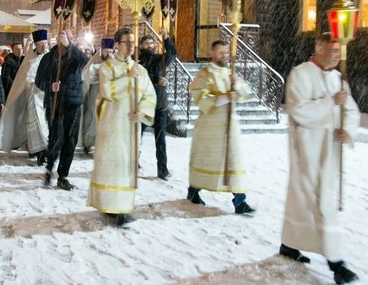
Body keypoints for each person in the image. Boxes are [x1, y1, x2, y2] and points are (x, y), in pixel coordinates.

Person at [279, 33, 361, 285]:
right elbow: (298, 110)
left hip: (329, 151)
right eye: (334, 51)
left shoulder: (338, 79)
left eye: (339, 52)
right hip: (307, 149)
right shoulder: (300, 74)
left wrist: (347, 130)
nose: (338, 56)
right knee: (320, 201)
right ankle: (337, 264)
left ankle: (290, 244)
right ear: (320, 49)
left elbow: (351, 111)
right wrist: (329, 103)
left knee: (303, 199)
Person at [87, 27, 156, 226]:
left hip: (130, 127)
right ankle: (109, 206)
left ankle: (123, 207)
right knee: (113, 166)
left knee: (127, 166)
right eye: (127, 42)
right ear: (117, 44)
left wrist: (142, 111)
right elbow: (108, 91)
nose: (131, 46)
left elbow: (150, 94)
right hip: (112, 125)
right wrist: (128, 78)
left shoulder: (140, 70)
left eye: (133, 42)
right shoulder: (108, 68)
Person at [186, 38, 255, 214]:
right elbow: (199, 97)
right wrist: (224, 97)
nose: (225, 55)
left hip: (230, 127)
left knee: (233, 161)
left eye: (226, 52)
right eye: (221, 52)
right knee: (206, 161)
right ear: (212, 53)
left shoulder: (230, 73)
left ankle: (240, 200)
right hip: (210, 128)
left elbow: (245, 93)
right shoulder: (205, 74)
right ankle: (193, 191)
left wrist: (237, 85)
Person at [35, 29, 89, 190]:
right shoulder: (49, 58)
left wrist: (69, 46)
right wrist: (50, 86)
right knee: (55, 139)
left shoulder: (76, 56)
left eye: (69, 38)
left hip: (73, 103)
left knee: (70, 140)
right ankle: (49, 168)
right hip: (55, 104)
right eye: (62, 38)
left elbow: (85, 61)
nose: (65, 40)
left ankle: (63, 175)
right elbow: (39, 80)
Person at [0, 30, 50, 160]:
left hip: (46, 97)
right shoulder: (29, 59)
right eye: (41, 44)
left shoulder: (51, 58)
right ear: (36, 45)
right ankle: (38, 150)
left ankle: (42, 149)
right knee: (36, 123)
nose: (44, 46)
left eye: (46, 43)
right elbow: (23, 78)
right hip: (33, 96)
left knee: (45, 123)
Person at [138, 29, 177, 180]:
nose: (149, 45)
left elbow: (172, 54)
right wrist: (156, 79)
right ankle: (132, 161)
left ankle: (162, 169)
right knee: (136, 137)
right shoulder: (138, 61)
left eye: (151, 43)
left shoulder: (159, 59)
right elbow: (141, 77)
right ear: (141, 46)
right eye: (146, 43)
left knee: (160, 140)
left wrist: (166, 38)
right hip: (143, 106)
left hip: (159, 104)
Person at [79, 37, 114, 154]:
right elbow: (86, 73)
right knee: (92, 115)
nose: (108, 54)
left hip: (108, 94)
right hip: (95, 92)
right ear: (102, 50)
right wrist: (96, 74)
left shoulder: (114, 60)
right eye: (106, 51)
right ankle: (88, 143)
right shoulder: (95, 59)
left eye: (111, 51)